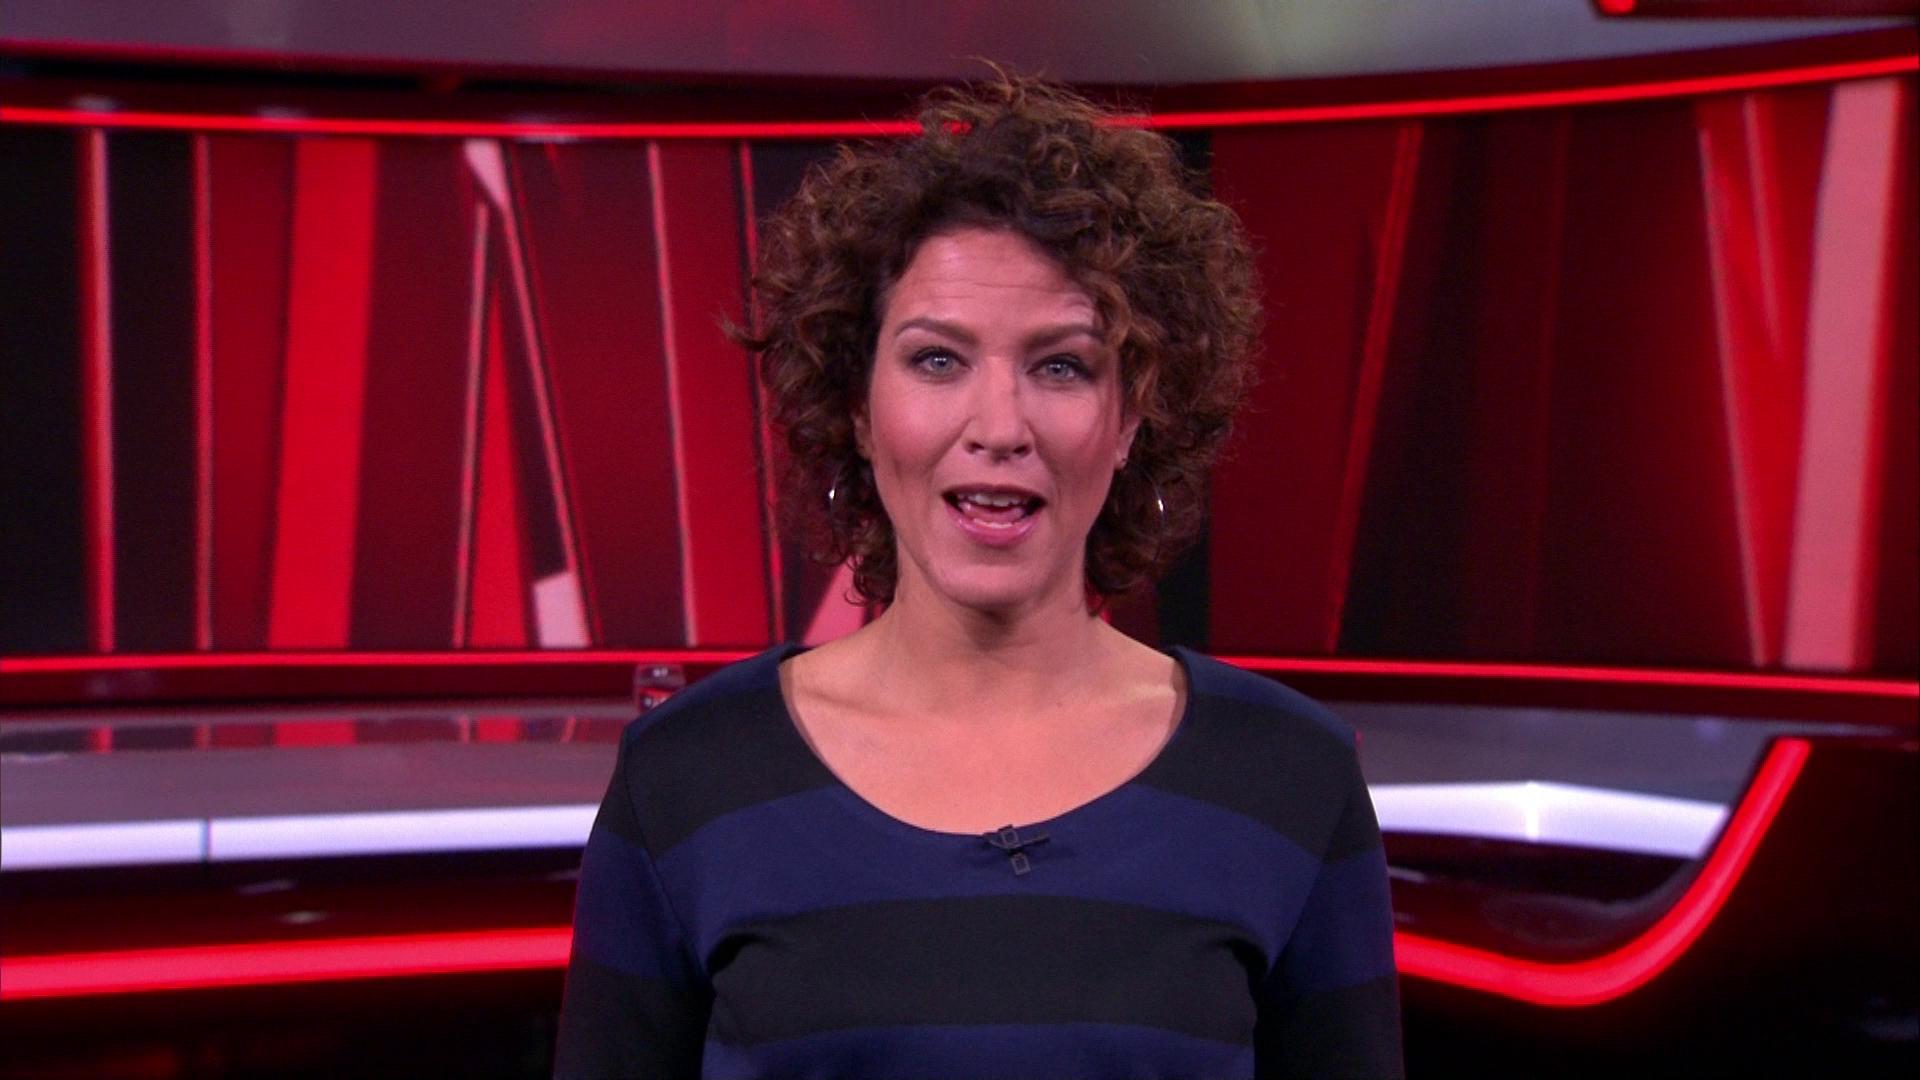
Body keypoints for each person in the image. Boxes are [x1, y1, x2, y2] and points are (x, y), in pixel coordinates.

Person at [555, 75, 1403, 1079]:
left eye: (1061, 366)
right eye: (938, 361)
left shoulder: (1289, 776)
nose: (999, 427)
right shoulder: (686, 778)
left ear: (1132, 419)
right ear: (858, 409)